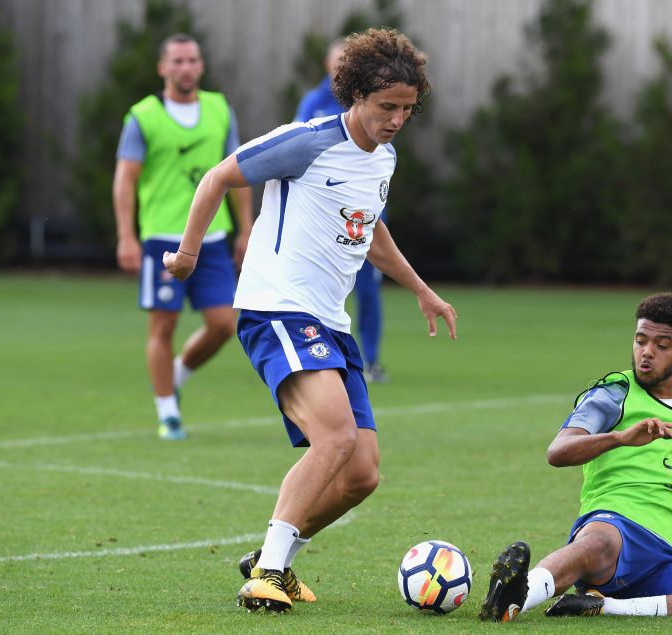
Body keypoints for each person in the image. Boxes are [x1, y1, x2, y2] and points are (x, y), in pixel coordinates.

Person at [163, 28, 456, 613]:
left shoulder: (385, 158)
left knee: (361, 475)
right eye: (386, 107)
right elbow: (218, 176)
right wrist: (190, 255)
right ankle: (268, 573)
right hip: (277, 307)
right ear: (354, 95)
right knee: (336, 436)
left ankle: (273, 560)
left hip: (329, 321)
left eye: (407, 109)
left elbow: (369, 228)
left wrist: (422, 289)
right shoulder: (307, 141)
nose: (397, 119)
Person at [479, 293, 672, 622]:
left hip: (662, 558)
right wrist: (620, 437)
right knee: (596, 544)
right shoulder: (613, 393)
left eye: (661, 345)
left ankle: (604, 606)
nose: (647, 352)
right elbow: (558, 452)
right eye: (640, 340)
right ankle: (518, 596)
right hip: (614, 528)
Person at [113, 33, 252, 440]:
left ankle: (175, 376)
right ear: (162, 68)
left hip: (212, 239)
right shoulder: (142, 116)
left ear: (201, 66)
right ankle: (167, 411)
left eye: (192, 60)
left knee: (224, 324)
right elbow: (125, 180)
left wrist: (246, 228)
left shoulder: (219, 108)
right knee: (163, 328)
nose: (185, 68)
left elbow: (241, 172)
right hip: (162, 240)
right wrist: (126, 236)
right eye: (176, 61)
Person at [295, 39, 390, 384]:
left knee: (368, 291)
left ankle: (371, 359)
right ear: (327, 64)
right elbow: (296, 150)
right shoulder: (314, 103)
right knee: (317, 287)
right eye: (337, 61)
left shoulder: (374, 105)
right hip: (320, 219)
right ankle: (310, 353)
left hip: (363, 217)